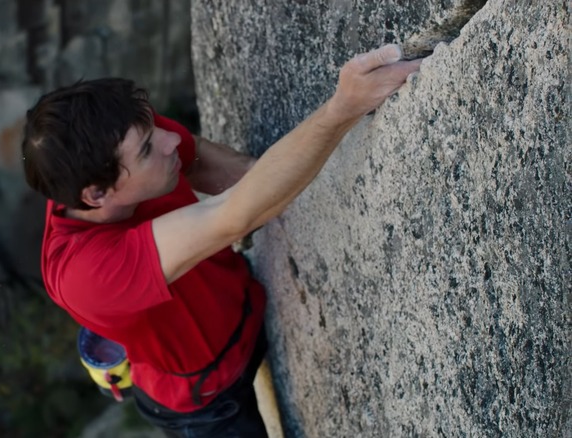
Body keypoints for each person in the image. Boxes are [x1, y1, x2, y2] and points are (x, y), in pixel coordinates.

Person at [21, 44, 421, 437]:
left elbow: (237, 175)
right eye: (147, 150)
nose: (170, 140)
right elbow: (234, 214)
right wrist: (343, 108)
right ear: (96, 196)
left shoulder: (129, 138)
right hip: (207, 408)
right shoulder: (87, 274)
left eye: (152, 125)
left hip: (245, 308)